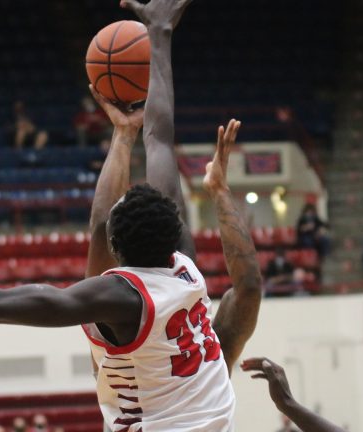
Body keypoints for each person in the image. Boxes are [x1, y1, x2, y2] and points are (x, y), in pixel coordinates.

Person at [0, 2, 236, 430]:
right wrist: (159, 36)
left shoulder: (117, 298)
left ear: (115, 249)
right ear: (177, 232)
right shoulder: (186, 269)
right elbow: (160, 139)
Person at [81, 0, 261, 376]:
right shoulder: (190, 302)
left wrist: (123, 134)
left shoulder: (107, 314)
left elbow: (100, 226)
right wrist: (219, 190)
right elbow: (249, 287)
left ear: (115, 248)